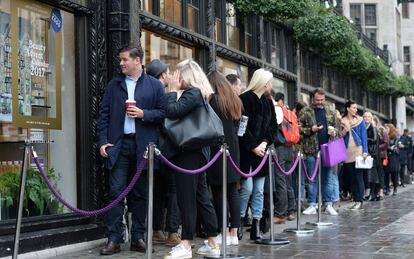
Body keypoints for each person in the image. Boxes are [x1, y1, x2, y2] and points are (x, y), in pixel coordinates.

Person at [97, 43, 165, 255]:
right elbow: (103, 116)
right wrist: (102, 141)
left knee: (140, 194)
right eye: (120, 60)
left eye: (125, 59)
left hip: (144, 146)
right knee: (116, 193)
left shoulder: (155, 86)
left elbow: (163, 114)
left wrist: (144, 114)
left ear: (137, 61)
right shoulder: (114, 85)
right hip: (119, 146)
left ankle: (138, 238)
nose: (121, 63)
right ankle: (113, 239)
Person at [163, 59, 220, 259]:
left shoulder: (193, 93)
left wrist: (171, 91)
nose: (174, 77)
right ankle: (213, 241)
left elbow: (172, 112)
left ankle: (186, 244)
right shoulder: (200, 94)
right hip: (197, 153)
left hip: (189, 153)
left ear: (185, 76)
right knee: (201, 196)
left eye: (177, 74)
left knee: (186, 198)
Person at [238, 68, 277, 241]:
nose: (271, 85)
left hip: (262, 153)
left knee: (259, 191)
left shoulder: (268, 102)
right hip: (247, 153)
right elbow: (241, 127)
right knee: (246, 189)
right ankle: (238, 222)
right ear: (262, 81)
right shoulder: (244, 99)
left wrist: (264, 143)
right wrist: (253, 146)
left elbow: (273, 127)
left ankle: (256, 225)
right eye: (269, 81)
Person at [146, 59, 181, 246]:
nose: (170, 76)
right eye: (167, 73)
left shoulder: (145, 91)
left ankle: (157, 229)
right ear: (163, 75)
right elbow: (169, 117)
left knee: (158, 190)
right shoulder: (163, 93)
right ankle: (172, 232)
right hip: (167, 150)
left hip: (152, 149)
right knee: (173, 189)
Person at [207, 71, 242, 246]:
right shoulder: (235, 100)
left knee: (218, 192)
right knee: (233, 190)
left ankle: (223, 231)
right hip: (233, 149)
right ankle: (234, 233)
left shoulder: (213, 101)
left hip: (217, 149)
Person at [299, 88, 338, 216]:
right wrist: (311, 129)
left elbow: (337, 128)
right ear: (312, 98)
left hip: (328, 149)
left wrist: (334, 132)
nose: (320, 102)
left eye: (322, 100)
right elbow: (299, 129)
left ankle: (328, 204)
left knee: (327, 178)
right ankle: (312, 204)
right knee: (312, 178)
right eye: (317, 100)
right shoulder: (305, 111)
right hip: (311, 150)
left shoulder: (330, 111)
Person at [271, 92, 296, 223]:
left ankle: (281, 213)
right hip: (290, 147)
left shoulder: (278, 112)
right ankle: (291, 210)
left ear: (280, 101)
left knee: (280, 179)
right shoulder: (291, 113)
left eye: (276, 101)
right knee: (288, 180)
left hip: (280, 147)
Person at [340, 100, 368, 210]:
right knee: (351, 177)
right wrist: (345, 130)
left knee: (358, 176)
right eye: (354, 107)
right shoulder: (342, 121)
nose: (356, 110)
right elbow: (340, 136)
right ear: (348, 108)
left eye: (356, 108)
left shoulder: (360, 120)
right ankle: (355, 199)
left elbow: (364, 136)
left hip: (358, 150)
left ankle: (359, 201)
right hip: (347, 151)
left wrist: (365, 151)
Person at [363, 112, 380, 201]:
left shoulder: (373, 128)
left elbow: (374, 140)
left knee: (372, 174)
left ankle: (373, 193)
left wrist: (364, 139)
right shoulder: (363, 127)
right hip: (365, 153)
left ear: (371, 118)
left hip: (372, 153)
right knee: (368, 174)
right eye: (365, 117)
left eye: (368, 117)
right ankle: (371, 193)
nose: (366, 118)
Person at [384, 124, 400, 196]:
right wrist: (389, 148)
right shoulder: (384, 136)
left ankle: (395, 188)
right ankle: (387, 189)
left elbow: (395, 147)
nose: (386, 129)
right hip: (386, 157)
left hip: (393, 158)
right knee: (386, 174)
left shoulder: (395, 137)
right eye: (385, 128)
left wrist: (390, 148)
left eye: (387, 128)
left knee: (394, 174)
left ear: (391, 129)